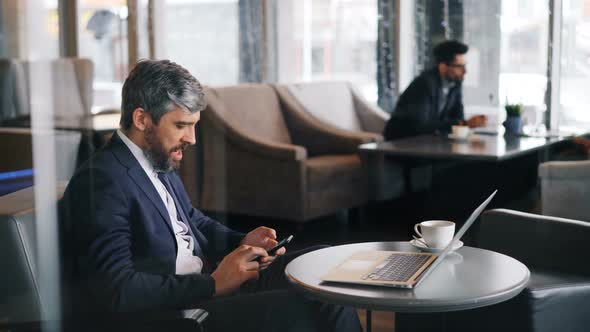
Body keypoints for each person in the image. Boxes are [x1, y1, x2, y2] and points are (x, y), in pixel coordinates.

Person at [59, 59, 361, 332]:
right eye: (182, 125)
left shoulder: (154, 157)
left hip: (210, 286)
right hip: (184, 313)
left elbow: (192, 221)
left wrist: (241, 242)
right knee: (324, 301)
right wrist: (213, 284)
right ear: (142, 120)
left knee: (321, 264)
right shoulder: (103, 180)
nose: (191, 138)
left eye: (194, 126)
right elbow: (116, 289)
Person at [383, 40, 487, 140]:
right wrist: (464, 123)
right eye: (459, 66)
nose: (465, 71)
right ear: (443, 67)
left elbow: (458, 117)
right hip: (401, 141)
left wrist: (465, 123)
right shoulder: (424, 83)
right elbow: (420, 125)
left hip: (426, 142)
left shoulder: (455, 83)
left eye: (465, 65)